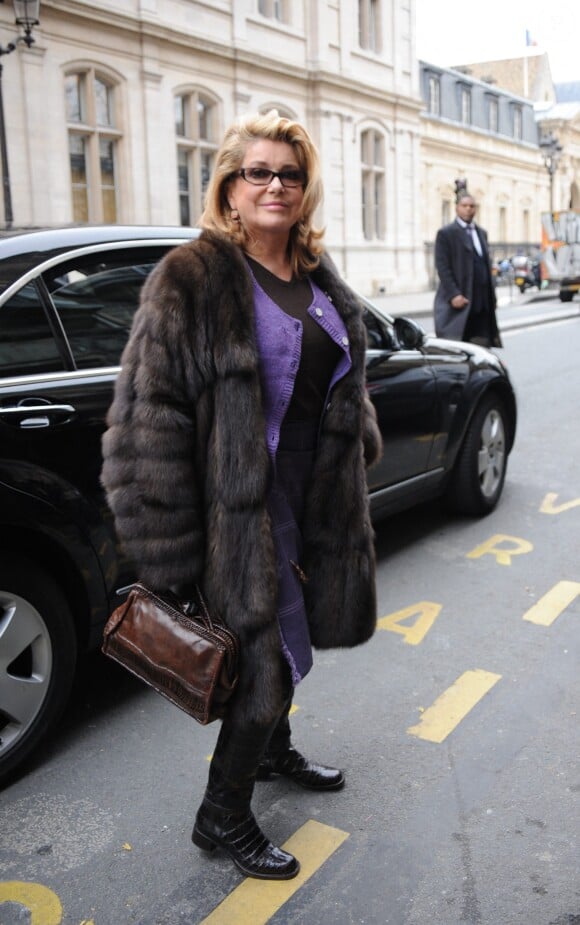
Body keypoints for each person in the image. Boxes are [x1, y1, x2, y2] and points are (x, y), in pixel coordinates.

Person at [101, 110, 382, 881]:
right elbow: (145, 419)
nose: (275, 185)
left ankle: (275, 753)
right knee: (265, 666)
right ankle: (219, 814)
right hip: (238, 512)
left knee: (290, 647)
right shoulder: (192, 277)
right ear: (228, 187)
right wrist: (168, 550)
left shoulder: (318, 275)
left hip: (310, 499)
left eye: (289, 173)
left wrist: (357, 436)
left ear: (305, 189)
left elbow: (343, 378)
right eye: (256, 171)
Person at [434, 192, 502, 348]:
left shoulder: (481, 233)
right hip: (462, 302)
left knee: (483, 349)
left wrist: (492, 296)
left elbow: (486, 263)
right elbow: (442, 267)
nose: (468, 209)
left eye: (472, 206)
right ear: (457, 208)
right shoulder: (446, 233)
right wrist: (454, 294)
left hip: (482, 302)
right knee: (461, 347)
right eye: (464, 206)